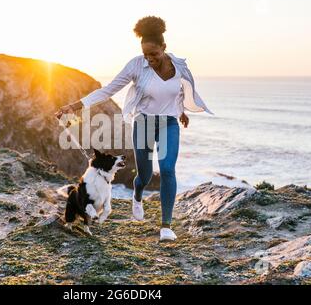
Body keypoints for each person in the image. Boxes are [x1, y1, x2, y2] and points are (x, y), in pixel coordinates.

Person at [55, 16, 213, 241]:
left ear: (164, 48)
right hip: (144, 123)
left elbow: (178, 91)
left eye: (154, 54)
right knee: (145, 175)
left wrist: (181, 111)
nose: (150, 59)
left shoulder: (178, 66)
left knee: (168, 169)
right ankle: (137, 195)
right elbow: (108, 90)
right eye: (146, 54)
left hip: (169, 123)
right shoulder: (137, 65)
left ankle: (166, 226)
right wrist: (76, 105)